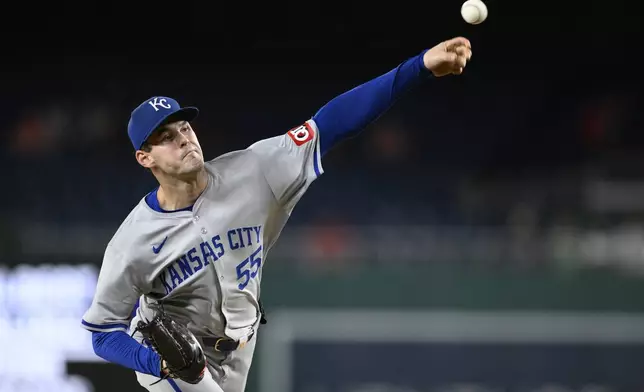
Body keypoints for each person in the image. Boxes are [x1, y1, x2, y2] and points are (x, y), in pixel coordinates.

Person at [81, 37, 473, 392]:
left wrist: (418, 66)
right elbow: (102, 332)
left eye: (184, 128)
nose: (184, 138)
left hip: (240, 347)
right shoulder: (133, 241)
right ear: (144, 158)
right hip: (175, 364)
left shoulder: (256, 170)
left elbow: (332, 123)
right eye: (166, 137)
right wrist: (156, 362)